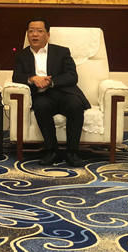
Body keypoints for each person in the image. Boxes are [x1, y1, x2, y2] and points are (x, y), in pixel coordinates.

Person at [12, 18, 90, 166]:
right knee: (41, 106)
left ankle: (73, 152)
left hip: (64, 92)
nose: (35, 34)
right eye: (31, 31)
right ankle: (52, 151)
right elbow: (17, 76)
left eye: (39, 31)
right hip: (42, 95)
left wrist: (50, 81)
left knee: (75, 104)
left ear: (47, 35)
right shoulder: (22, 55)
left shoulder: (61, 52)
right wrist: (33, 78)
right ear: (27, 35)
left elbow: (72, 76)